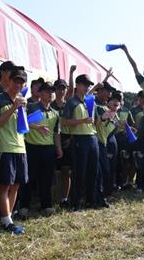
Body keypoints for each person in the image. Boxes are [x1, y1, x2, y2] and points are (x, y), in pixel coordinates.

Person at [0, 67, 30, 235]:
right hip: (4, 147)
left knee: (16, 184)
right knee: (4, 185)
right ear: (9, 81)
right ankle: (6, 221)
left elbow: (22, 127)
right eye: (15, 81)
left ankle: (7, 219)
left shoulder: (22, 101)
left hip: (20, 147)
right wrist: (13, 107)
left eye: (21, 82)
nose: (18, 85)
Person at [62, 74, 106, 210]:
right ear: (78, 85)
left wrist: (104, 117)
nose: (87, 87)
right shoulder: (72, 102)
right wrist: (82, 121)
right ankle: (75, 202)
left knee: (93, 171)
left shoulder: (91, 100)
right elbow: (64, 122)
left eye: (88, 85)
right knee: (79, 171)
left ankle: (90, 201)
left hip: (92, 138)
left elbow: (96, 123)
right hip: (79, 138)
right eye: (85, 85)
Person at [22, 82, 62, 216]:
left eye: (52, 91)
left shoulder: (55, 113)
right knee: (29, 178)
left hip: (48, 149)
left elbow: (56, 132)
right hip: (32, 147)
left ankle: (46, 205)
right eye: (47, 91)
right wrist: (37, 127)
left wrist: (59, 148)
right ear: (40, 93)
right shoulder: (31, 107)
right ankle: (24, 206)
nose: (50, 94)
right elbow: (22, 121)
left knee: (47, 178)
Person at [51, 78, 72, 208]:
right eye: (59, 88)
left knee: (66, 171)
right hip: (50, 140)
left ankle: (64, 199)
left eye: (64, 88)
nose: (62, 90)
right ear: (55, 89)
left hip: (67, 139)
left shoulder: (69, 105)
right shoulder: (50, 105)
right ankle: (51, 198)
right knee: (50, 171)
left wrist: (71, 139)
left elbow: (75, 124)